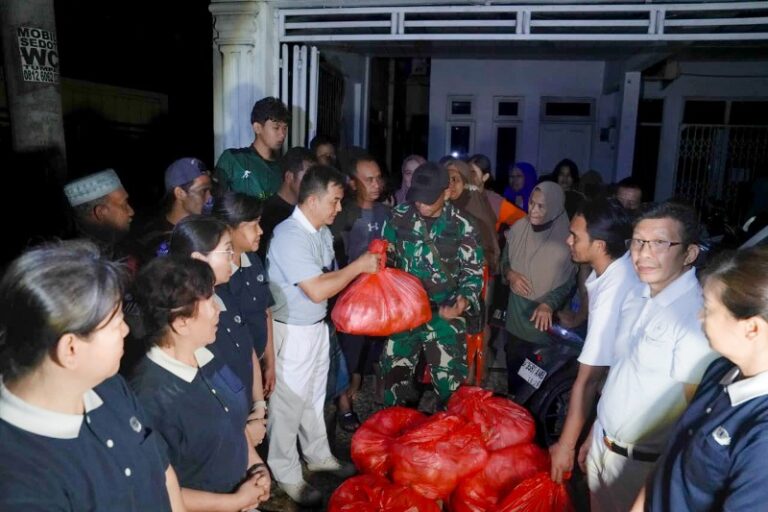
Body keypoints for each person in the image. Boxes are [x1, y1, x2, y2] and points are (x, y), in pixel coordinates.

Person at [0, 240, 184, 511]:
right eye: (116, 323)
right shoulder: (20, 484)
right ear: (70, 349)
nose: (126, 331)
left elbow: (162, 472)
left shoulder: (109, 387)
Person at [586, 201, 718, 512]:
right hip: (602, 449)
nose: (643, 253)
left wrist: (659, 482)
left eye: (659, 243)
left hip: (643, 468)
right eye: (638, 242)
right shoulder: (636, 294)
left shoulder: (695, 317)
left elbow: (694, 415)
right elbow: (621, 373)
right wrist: (595, 432)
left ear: (689, 254)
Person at [266, 164, 379, 506]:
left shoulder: (321, 232)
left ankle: (317, 455)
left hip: (316, 327)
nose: (339, 208)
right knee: (288, 405)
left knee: (315, 397)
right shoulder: (289, 236)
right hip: (292, 330)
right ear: (313, 200)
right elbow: (316, 289)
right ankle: (286, 472)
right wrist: (358, 267)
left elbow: (332, 279)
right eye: (334, 201)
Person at [129, 257, 270, 512]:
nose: (219, 309)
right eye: (209, 302)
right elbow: (156, 487)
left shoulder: (208, 353)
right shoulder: (149, 397)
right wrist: (234, 502)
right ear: (181, 322)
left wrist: (256, 466)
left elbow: (232, 424)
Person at [634, 246, 768, 511]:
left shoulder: (761, 433)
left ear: (751, 328)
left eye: (708, 308)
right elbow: (672, 454)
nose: (699, 316)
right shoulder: (720, 371)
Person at [548, 198, 638, 484]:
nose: (568, 240)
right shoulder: (614, 270)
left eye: (575, 236)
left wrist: (565, 447)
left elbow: (588, 380)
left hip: (629, 409)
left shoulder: (616, 289)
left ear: (599, 245)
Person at [381, 161, 484, 406]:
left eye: (428, 199)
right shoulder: (399, 216)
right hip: (406, 314)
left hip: (444, 315)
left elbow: (473, 274)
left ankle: (447, 428)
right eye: (417, 198)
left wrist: (463, 301)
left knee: (451, 393)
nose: (421, 204)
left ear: (446, 192)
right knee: (393, 384)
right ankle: (397, 425)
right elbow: (386, 259)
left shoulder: (463, 225)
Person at [168, 216, 268, 436]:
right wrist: (243, 436)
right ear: (198, 259)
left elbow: (247, 347)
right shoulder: (186, 320)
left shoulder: (225, 295)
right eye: (226, 251)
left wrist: (259, 403)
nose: (233, 257)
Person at [331, 152, 391, 428]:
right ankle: (343, 404)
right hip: (350, 296)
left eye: (378, 178)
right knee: (348, 349)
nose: (376, 184)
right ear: (353, 182)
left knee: (377, 347)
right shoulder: (342, 214)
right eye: (369, 180)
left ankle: (375, 392)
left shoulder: (386, 213)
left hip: (380, 296)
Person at [502, 182, 576, 382]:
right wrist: (511, 275)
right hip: (516, 319)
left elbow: (568, 282)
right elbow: (504, 262)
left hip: (543, 324)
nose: (533, 210)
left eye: (541, 206)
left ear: (554, 207)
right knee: (514, 372)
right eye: (531, 203)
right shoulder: (519, 228)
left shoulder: (567, 240)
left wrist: (548, 304)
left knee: (535, 380)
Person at [213, 192, 277, 399]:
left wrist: (270, 361)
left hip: (257, 363)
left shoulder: (253, 260)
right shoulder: (216, 277)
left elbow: (265, 309)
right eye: (252, 225)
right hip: (231, 373)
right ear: (228, 229)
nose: (260, 230)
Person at [445, 158, 499, 385]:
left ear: (466, 181)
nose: (450, 185)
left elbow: (488, 251)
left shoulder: (474, 205)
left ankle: (473, 378)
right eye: (446, 179)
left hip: (475, 278)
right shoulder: (441, 206)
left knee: (474, 327)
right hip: (450, 279)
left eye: (456, 180)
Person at [135, 157, 212, 261]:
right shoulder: (153, 240)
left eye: (210, 190)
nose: (209, 197)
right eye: (203, 191)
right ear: (180, 193)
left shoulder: (209, 227)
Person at [215, 97, 289, 199]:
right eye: (276, 128)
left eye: (285, 128)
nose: (282, 134)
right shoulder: (233, 159)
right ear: (257, 128)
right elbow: (214, 200)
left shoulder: (283, 168)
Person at [63, 168, 137, 266]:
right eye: (124, 204)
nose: (131, 212)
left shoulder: (113, 248)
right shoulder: (83, 267)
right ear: (101, 212)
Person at [257, 146, 316, 261]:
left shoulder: (309, 211)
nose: (313, 184)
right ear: (289, 177)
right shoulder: (267, 215)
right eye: (307, 177)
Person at [467, 153, 526, 231]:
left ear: (485, 177)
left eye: (473, 173)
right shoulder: (457, 196)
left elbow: (524, 222)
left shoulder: (495, 202)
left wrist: (507, 236)